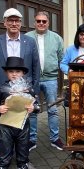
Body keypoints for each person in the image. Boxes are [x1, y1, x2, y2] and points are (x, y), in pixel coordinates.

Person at [0, 8, 41, 169]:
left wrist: (35, 94)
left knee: (24, 128)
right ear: (4, 23)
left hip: (24, 93)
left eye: (17, 20)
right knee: (2, 127)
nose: (14, 23)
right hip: (3, 93)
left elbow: (36, 68)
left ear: (21, 23)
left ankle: (24, 160)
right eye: (10, 20)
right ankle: (3, 161)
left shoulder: (30, 42)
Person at [25, 11, 66, 151]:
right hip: (32, 80)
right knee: (32, 110)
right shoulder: (27, 38)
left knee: (53, 109)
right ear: (34, 22)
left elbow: (62, 59)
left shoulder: (56, 38)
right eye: (38, 21)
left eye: (44, 21)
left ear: (48, 23)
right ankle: (31, 139)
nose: (41, 23)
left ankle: (55, 139)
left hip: (51, 79)